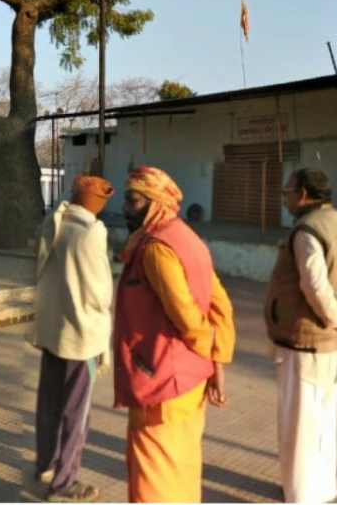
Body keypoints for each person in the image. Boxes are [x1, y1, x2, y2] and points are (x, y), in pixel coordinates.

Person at [113, 165, 235, 503]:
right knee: (180, 472)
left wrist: (209, 358)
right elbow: (220, 303)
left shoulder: (156, 248)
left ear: (154, 203)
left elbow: (188, 318)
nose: (125, 208)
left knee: (151, 484)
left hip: (162, 383)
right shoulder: (185, 236)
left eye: (133, 200)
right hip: (187, 381)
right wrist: (216, 362)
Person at [264, 167, 337, 504]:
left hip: (305, 343)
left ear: (303, 193)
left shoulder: (307, 232)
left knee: (299, 426)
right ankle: (320, 489)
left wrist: (335, 319)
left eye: (288, 191)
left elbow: (315, 287)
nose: (286, 198)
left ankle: (301, 495)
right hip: (327, 345)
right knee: (322, 422)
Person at [31, 175, 116, 504]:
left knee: (49, 404)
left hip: (53, 328)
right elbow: (100, 293)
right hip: (82, 337)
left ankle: (46, 465)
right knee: (76, 413)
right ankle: (64, 482)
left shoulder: (54, 222)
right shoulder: (92, 231)